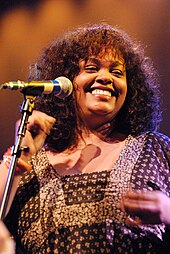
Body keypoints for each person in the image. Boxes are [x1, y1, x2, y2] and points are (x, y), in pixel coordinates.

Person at [0, 23, 170, 253]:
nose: (105, 77)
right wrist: (21, 159)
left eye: (117, 72)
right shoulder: (32, 164)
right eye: (91, 68)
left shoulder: (155, 149)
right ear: (66, 83)